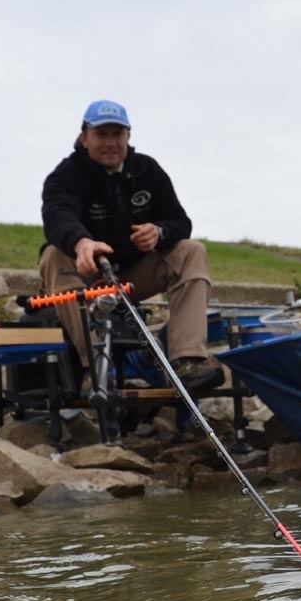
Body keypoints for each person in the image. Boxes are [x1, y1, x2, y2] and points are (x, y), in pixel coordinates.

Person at [38, 99, 224, 391]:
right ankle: (96, 366)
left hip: (135, 274)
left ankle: (188, 361)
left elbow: (180, 221)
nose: (111, 142)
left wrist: (159, 232)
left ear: (128, 136)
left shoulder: (148, 170)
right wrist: (81, 242)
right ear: (84, 137)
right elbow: (57, 215)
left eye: (117, 134)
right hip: (87, 275)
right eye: (102, 134)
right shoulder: (65, 175)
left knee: (192, 250)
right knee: (52, 255)